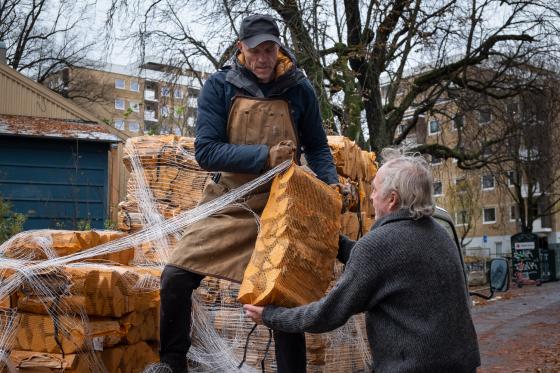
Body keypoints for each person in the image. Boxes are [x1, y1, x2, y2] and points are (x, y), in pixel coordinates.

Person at [159, 14, 338, 372]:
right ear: (241, 48)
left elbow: (317, 147)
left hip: (283, 203)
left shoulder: (298, 88)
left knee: (282, 295)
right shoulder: (220, 86)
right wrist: (263, 157)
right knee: (174, 277)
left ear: (278, 47)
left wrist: (330, 185)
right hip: (230, 200)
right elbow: (206, 151)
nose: (263, 59)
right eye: (255, 50)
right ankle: (172, 363)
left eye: (269, 49)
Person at [245, 149, 481, 373]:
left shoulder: (380, 245)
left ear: (392, 200)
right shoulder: (439, 235)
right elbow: (383, 263)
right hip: (461, 365)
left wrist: (270, 316)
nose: (371, 195)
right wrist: (325, 236)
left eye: (375, 190)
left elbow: (327, 314)